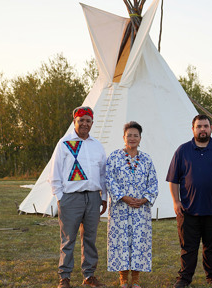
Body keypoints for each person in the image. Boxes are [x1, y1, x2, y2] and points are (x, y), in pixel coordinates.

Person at [166, 114, 212, 288]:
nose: (202, 129)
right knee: (188, 248)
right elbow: (173, 179)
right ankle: (184, 279)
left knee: (211, 247)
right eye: (199, 126)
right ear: (193, 129)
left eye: (205, 126)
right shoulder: (182, 151)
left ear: (211, 128)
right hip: (188, 209)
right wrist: (176, 201)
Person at [48, 106, 108, 288]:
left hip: (92, 197)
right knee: (68, 239)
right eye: (81, 120)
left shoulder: (97, 145)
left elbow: (103, 174)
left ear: (92, 123)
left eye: (88, 120)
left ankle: (89, 275)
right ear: (74, 121)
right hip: (71, 198)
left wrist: (103, 197)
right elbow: (55, 173)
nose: (84, 123)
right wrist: (60, 197)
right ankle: (64, 277)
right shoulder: (64, 143)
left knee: (89, 238)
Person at [105, 121, 159, 288]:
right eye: (129, 135)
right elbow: (109, 179)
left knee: (138, 242)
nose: (132, 138)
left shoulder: (147, 159)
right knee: (121, 242)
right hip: (120, 208)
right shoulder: (114, 157)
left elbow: (153, 183)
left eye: (136, 135)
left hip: (140, 210)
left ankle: (135, 280)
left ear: (140, 138)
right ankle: (123, 280)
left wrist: (143, 199)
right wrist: (123, 197)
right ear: (124, 137)